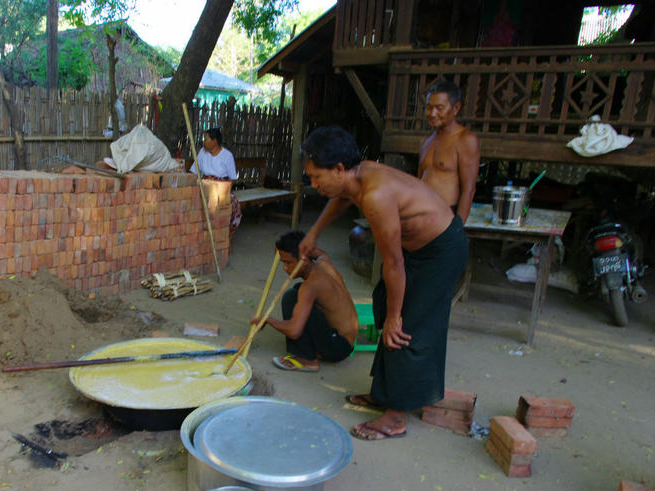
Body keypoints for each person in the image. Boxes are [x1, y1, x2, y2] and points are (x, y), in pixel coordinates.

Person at [298, 126, 468, 440]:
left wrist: (395, 316)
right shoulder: (355, 176)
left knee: (405, 326)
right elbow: (341, 198)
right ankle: (384, 393)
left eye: (316, 176)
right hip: (418, 247)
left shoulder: (376, 195)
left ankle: (395, 415)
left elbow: (393, 263)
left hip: (441, 250)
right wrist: (314, 233)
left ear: (338, 169)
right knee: (381, 302)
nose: (313, 183)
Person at [251, 231, 358, 373]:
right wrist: (285, 249)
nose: (284, 267)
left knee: (291, 298)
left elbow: (294, 331)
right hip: (346, 341)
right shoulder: (323, 261)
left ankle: (307, 360)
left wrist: (267, 320)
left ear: (304, 260)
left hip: (337, 347)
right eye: (283, 262)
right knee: (297, 291)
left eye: (288, 262)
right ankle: (313, 349)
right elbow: (313, 251)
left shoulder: (311, 286)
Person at [418, 79, 480, 223]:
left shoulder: (465, 139)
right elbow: (419, 182)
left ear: (456, 108)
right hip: (421, 215)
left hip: (446, 215)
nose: (432, 113)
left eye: (439, 108)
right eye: (428, 107)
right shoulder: (425, 141)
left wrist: (457, 227)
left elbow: (469, 190)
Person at [190, 128, 241, 233]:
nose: (203, 142)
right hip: (204, 184)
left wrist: (223, 193)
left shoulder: (227, 156)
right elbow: (194, 171)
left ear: (214, 141)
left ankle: (228, 236)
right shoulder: (202, 153)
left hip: (221, 187)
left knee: (234, 205)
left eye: (206, 139)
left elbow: (232, 178)